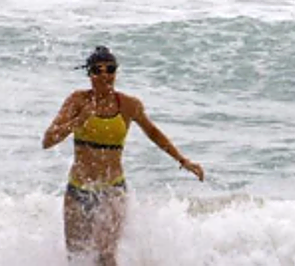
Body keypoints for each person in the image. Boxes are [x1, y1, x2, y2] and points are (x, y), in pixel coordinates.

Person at [42, 46, 205, 266]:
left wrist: (183, 160)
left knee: (106, 256)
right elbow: (48, 140)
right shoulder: (77, 101)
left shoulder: (129, 105)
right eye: (97, 70)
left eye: (110, 69)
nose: (104, 75)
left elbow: (153, 133)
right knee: (76, 256)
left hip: (112, 188)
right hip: (78, 188)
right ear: (89, 74)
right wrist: (77, 122)